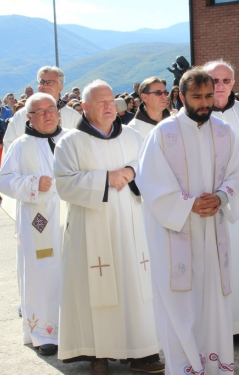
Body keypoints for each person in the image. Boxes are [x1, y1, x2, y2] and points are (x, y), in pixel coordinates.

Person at [136, 68, 239, 374]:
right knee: (181, 309)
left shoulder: (224, 131)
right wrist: (188, 205)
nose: (204, 103)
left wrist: (222, 197)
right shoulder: (162, 134)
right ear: (181, 96)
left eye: (209, 96)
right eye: (197, 97)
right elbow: (152, 184)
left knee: (213, 305)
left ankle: (214, 368)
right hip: (177, 237)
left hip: (213, 235)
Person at [53, 80, 164, 375]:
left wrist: (130, 172)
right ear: (85, 107)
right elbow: (63, 184)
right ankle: (96, 353)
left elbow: (152, 166)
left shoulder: (132, 136)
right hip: (90, 228)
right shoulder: (70, 142)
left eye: (110, 101)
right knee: (94, 288)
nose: (108, 107)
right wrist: (105, 179)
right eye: (99, 102)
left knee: (133, 285)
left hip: (131, 226)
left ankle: (142, 352)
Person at [0, 93, 66, 357]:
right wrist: (32, 184)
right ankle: (44, 333)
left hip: (70, 215)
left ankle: (74, 329)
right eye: (41, 111)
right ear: (29, 117)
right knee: (42, 273)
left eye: (52, 109)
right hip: (40, 222)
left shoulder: (70, 139)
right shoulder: (21, 145)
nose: (48, 114)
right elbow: (4, 180)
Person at [203, 59, 239, 351]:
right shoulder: (197, 114)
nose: (220, 86)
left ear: (234, 84)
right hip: (210, 202)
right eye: (214, 80)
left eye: (226, 80)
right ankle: (217, 324)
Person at [2, 66, 80, 154]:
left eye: (50, 82)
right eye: (42, 82)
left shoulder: (73, 117)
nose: (44, 86)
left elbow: (81, 146)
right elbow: (9, 145)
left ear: (60, 87)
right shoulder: (22, 115)